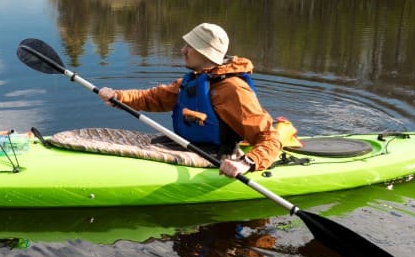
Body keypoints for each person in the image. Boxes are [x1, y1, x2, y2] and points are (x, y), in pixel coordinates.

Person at [97, 23, 283, 179]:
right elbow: (153, 98)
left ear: (205, 53)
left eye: (190, 46)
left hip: (219, 157)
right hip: (190, 146)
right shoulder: (194, 80)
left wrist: (247, 163)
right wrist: (118, 96)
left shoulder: (234, 90)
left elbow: (270, 137)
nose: (183, 50)